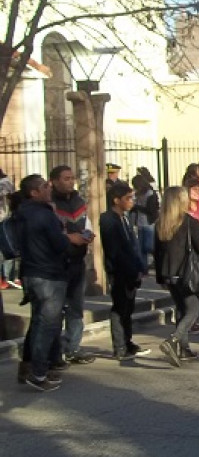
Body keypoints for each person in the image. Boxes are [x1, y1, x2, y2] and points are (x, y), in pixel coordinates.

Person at [15, 175, 93, 390]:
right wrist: (72, 238)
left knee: (39, 322)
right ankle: (38, 373)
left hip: (31, 272)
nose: (48, 189)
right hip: (48, 274)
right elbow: (59, 244)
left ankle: (29, 367)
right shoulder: (44, 214)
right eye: (44, 186)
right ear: (34, 192)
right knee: (47, 325)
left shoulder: (22, 212)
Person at [154, 186, 199, 367]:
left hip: (169, 273)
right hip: (186, 272)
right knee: (193, 309)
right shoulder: (188, 222)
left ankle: (183, 348)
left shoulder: (160, 223)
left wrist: (160, 277)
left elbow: (156, 253)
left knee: (181, 308)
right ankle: (174, 340)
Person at [50, 165, 99, 364]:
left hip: (77, 261)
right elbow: (51, 233)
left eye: (72, 178)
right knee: (54, 310)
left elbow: (85, 223)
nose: (70, 181)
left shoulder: (78, 201)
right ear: (54, 181)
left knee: (76, 308)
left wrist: (87, 235)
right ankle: (54, 351)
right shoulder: (50, 203)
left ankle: (73, 347)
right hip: (57, 263)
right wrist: (71, 238)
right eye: (66, 178)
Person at [99, 181, 146, 360]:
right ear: (116, 200)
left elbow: (133, 246)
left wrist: (140, 267)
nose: (131, 201)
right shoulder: (108, 219)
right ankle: (120, 346)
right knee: (120, 308)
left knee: (128, 308)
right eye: (128, 198)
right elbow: (115, 250)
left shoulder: (125, 218)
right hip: (119, 271)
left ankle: (128, 341)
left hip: (131, 270)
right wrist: (129, 269)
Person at [130, 172, 159, 272]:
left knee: (149, 246)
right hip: (139, 222)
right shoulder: (137, 194)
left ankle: (156, 262)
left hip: (149, 223)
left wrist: (137, 207)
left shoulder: (150, 194)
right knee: (141, 247)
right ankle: (143, 267)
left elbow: (151, 210)